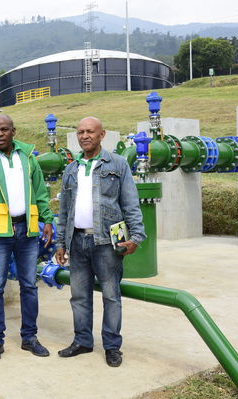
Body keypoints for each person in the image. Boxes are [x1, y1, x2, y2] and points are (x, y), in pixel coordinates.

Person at [54, 117, 145, 367]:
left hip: (106, 242)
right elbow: (64, 211)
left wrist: (136, 237)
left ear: (102, 134)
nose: (84, 136)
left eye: (90, 132)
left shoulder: (117, 164)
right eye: (80, 132)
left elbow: (130, 203)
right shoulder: (71, 169)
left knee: (111, 297)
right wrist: (60, 243)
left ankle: (112, 346)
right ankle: (83, 341)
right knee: (79, 297)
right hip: (78, 242)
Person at [0, 114, 53, 362]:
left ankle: (30, 338)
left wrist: (47, 218)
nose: (0, 134)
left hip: (26, 231)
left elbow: (39, 190)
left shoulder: (27, 157)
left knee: (29, 285)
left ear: (13, 131)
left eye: (4, 129)